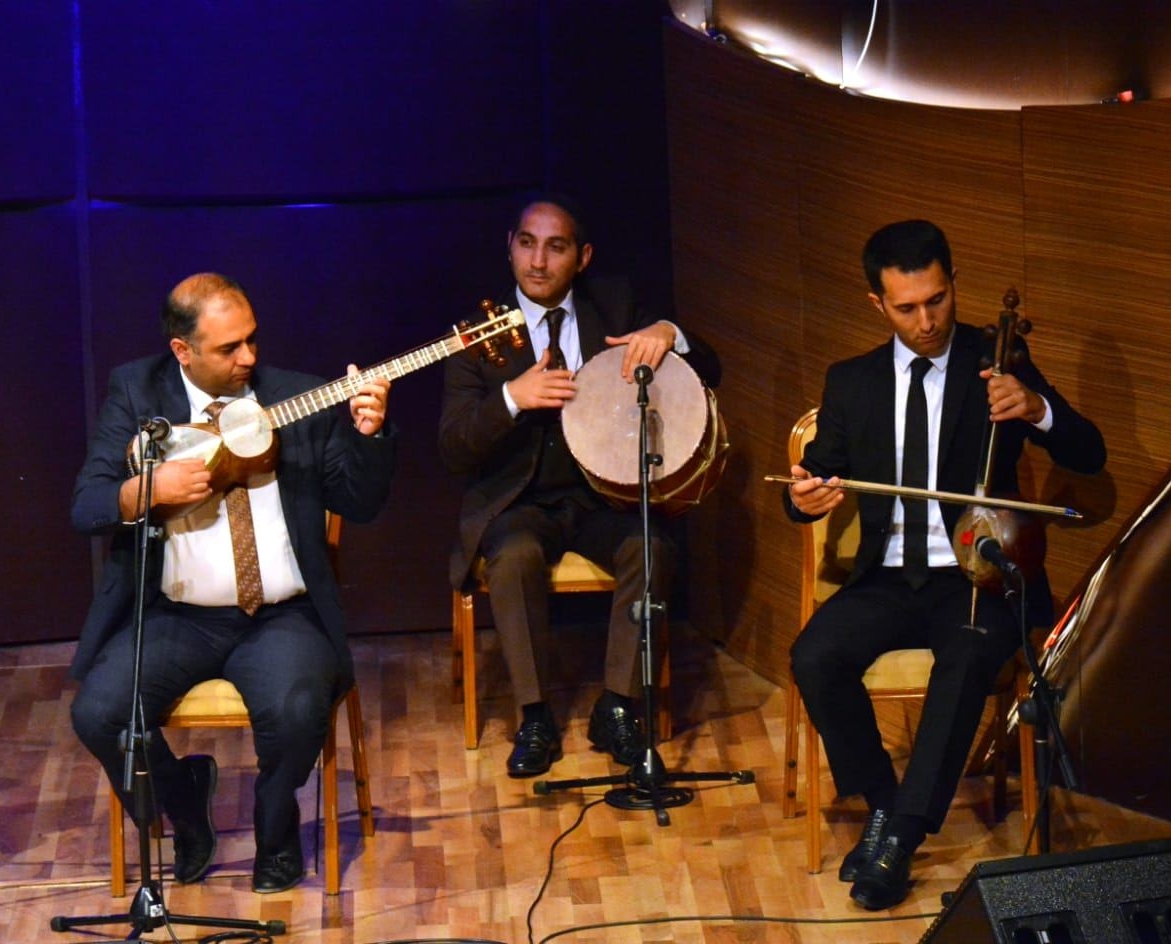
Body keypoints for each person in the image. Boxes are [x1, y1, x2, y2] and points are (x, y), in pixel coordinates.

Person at [784, 220, 1105, 910]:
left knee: (962, 655)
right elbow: (812, 482)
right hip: (889, 577)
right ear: (877, 303)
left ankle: (898, 840)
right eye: (907, 308)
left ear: (953, 283)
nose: (926, 321)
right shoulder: (851, 383)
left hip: (980, 580)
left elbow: (1089, 453)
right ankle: (881, 803)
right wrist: (807, 499)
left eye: (937, 300)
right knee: (815, 655)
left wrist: (1039, 409)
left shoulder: (998, 357)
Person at [69, 273, 397, 894]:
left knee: (299, 710)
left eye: (251, 341)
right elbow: (86, 505)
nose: (249, 357)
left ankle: (276, 832)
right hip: (178, 615)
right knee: (99, 713)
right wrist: (148, 492)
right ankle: (184, 805)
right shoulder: (137, 392)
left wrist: (370, 434)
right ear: (182, 351)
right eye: (229, 348)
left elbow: (361, 502)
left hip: (281, 616)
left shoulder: (296, 396)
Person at [439, 194, 721, 778]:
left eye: (556, 247)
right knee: (513, 559)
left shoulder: (614, 307)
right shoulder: (475, 333)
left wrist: (670, 333)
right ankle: (536, 715)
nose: (538, 261)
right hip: (520, 501)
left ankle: (616, 707)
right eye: (526, 243)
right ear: (510, 247)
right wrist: (512, 398)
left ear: (582, 256)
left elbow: (709, 368)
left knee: (651, 546)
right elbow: (452, 445)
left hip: (600, 496)